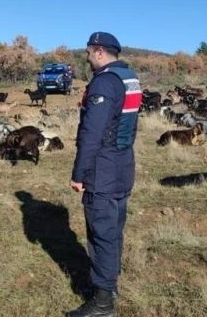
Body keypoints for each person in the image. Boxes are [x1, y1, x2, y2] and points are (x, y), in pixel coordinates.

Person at [68, 32, 141, 317]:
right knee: (113, 230)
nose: (86, 58)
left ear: (99, 51)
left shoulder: (105, 82)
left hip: (103, 170)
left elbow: (92, 133)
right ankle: (109, 286)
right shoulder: (128, 77)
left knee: (102, 234)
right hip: (123, 165)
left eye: (88, 52)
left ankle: (102, 302)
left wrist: (78, 173)